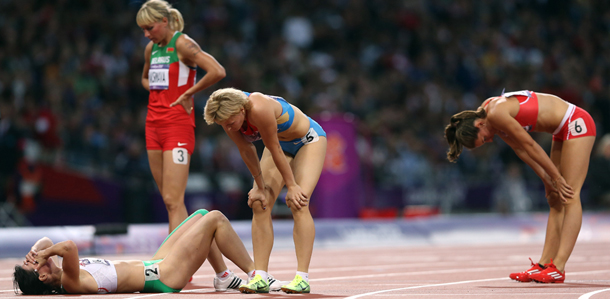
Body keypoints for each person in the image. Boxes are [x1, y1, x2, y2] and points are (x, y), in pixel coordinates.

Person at [445, 90, 596, 283]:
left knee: (569, 195)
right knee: (555, 200)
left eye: (484, 138)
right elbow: (519, 149)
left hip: (576, 121)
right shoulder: (487, 113)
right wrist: (546, 180)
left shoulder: (496, 113)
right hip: (560, 130)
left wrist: (556, 177)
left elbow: (530, 145)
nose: (490, 140)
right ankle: (544, 264)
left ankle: (558, 267)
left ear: (479, 124)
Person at [204, 88, 327, 293]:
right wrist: (260, 187)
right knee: (259, 204)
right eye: (223, 125)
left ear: (241, 109)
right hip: (278, 146)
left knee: (298, 203)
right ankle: (260, 276)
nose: (227, 127)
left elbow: (275, 148)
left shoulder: (258, 107)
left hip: (307, 141)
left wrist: (292, 186)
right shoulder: (228, 119)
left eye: (230, 122)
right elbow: (247, 150)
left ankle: (302, 278)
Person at [13, 209, 282, 294]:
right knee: (215, 218)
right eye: (33, 263)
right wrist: (45, 255)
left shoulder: (57, 268)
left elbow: (46, 239)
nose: (36, 257)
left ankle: (223, 275)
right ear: (43, 277)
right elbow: (69, 246)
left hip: (155, 263)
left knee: (199, 215)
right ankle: (256, 273)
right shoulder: (70, 282)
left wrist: (37, 253)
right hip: (164, 276)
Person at [136, 0, 226, 232]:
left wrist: (189, 92)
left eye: (150, 28)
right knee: (170, 201)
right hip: (153, 126)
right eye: (143, 30)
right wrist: (159, 91)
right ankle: (201, 256)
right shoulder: (151, 49)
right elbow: (144, 79)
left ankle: (174, 261)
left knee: (173, 199)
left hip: (177, 126)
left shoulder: (183, 44)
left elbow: (217, 70)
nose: (146, 34)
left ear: (164, 21)